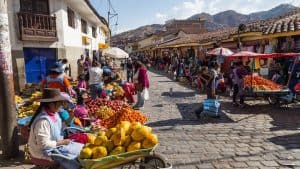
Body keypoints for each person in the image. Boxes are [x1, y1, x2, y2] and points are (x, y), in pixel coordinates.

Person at [28, 88, 83, 169]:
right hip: (42, 152)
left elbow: (60, 128)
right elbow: (44, 145)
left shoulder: (54, 114)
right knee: (76, 159)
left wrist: (72, 116)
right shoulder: (43, 121)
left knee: (82, 149)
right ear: (51, 104)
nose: (61, 106)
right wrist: (62, 142)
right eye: (59, 103)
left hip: (54, 146)